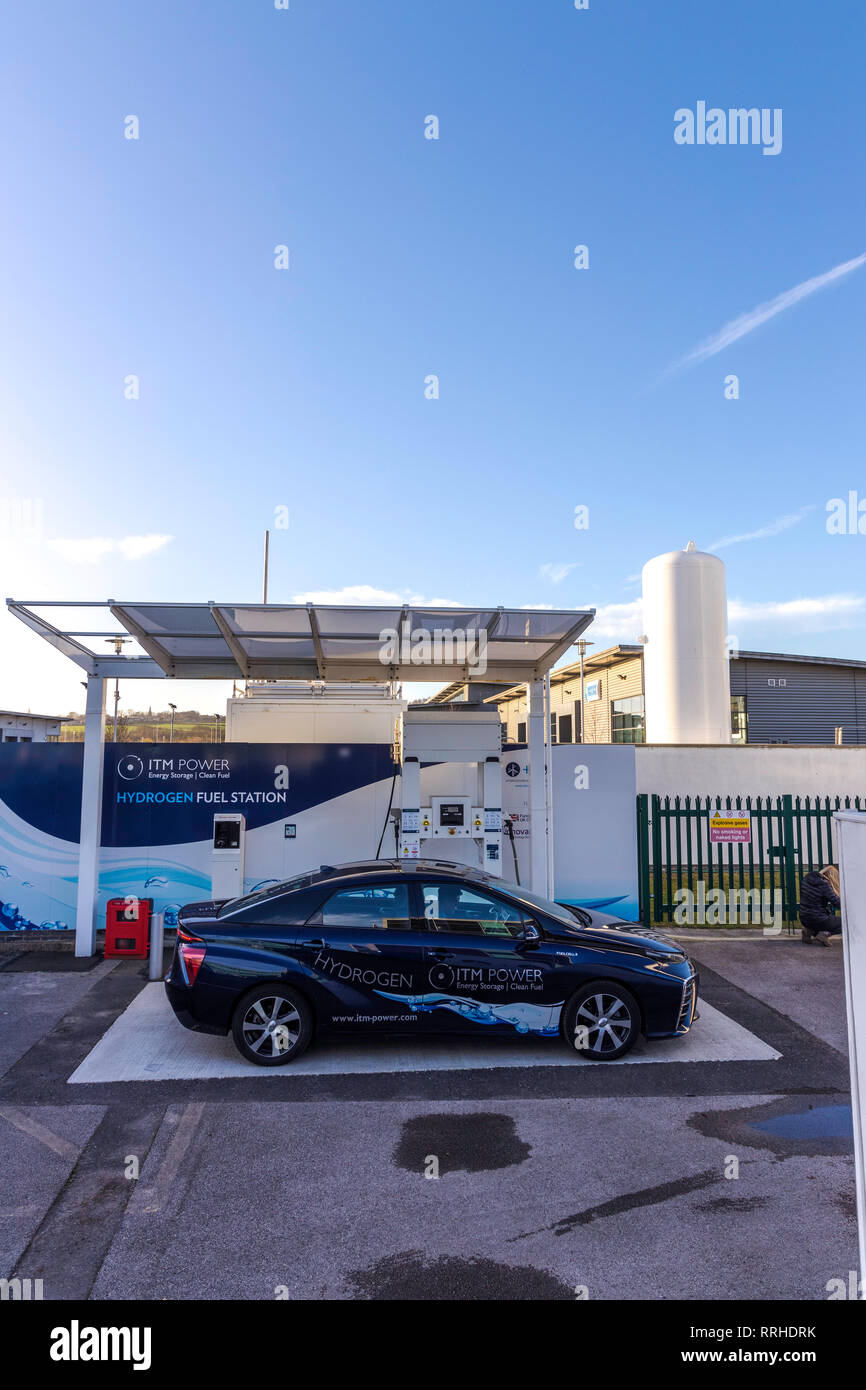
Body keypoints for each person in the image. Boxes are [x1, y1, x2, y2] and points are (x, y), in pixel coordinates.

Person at [798, 864, 842, 946]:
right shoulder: (824, 884)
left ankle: (808, 931)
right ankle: (824, 934)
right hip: (817, 919)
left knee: (818, 920)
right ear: (832, 877)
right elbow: (836, 902)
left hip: (803, 917)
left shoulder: (807, 879)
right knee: (845, 923)